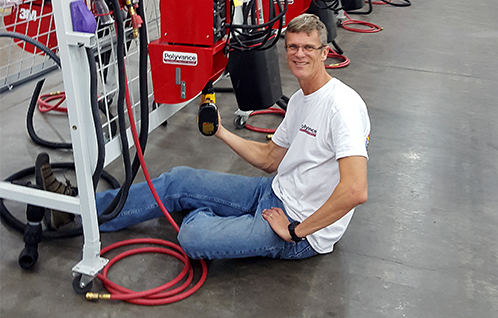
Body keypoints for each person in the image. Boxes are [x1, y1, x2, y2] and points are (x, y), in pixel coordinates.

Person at [38, 14, 370, 260]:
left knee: (193, 238)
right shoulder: (300, 100)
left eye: (308, 48)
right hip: (273, 192)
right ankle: (74, 210)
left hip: (300, 227)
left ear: (325, 53)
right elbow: (271, 159)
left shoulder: (342, 107)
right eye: (293, 46)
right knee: (178, 181)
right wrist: (221, 131)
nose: (299, 54)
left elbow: (355, 190)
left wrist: (296, 231)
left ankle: (211, 213)